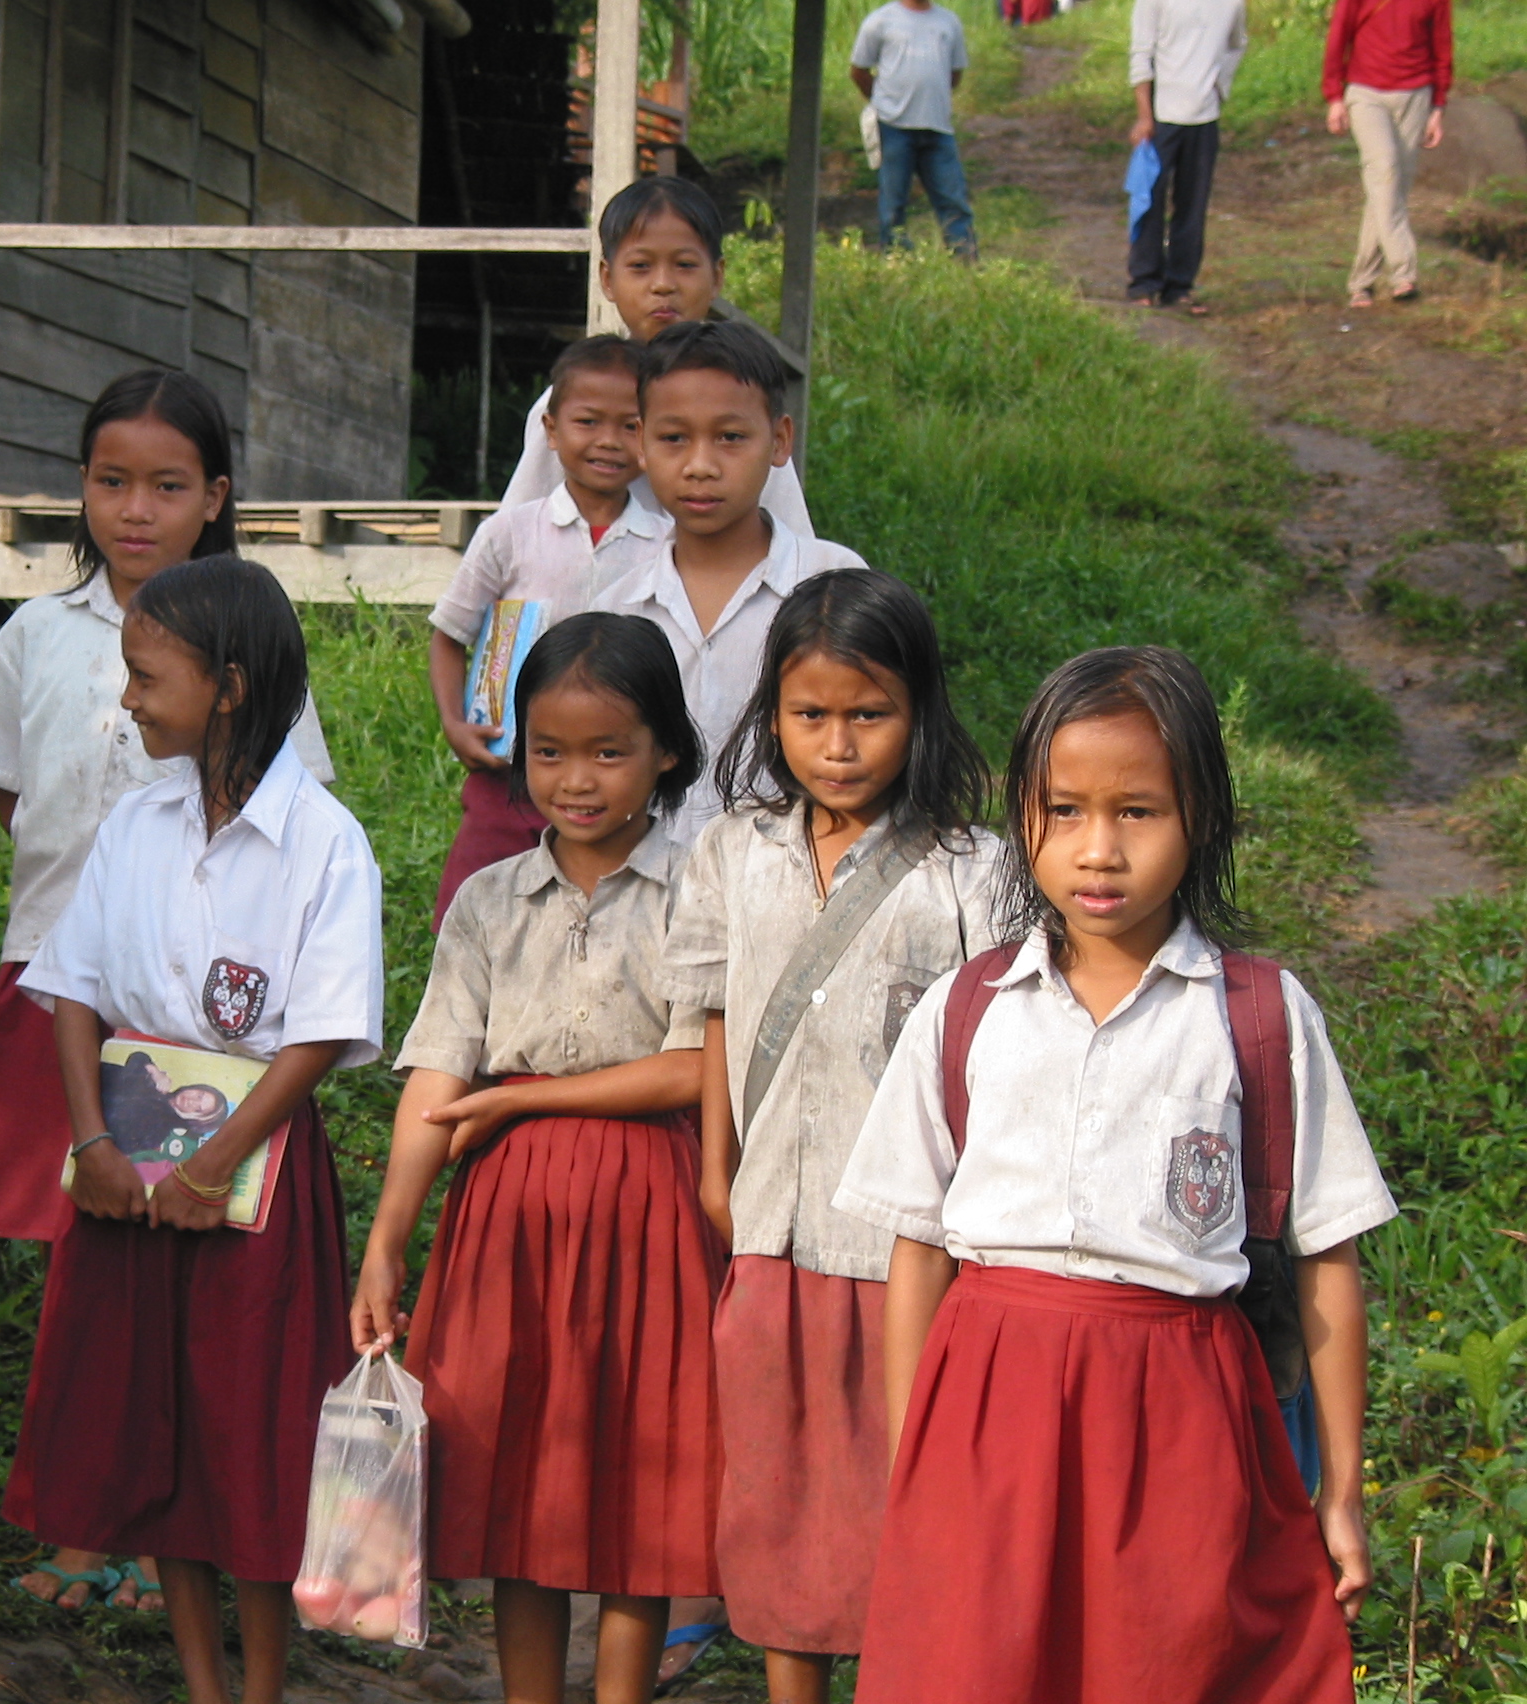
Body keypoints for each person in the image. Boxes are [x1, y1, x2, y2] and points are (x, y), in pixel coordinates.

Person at [834, 646, 1393, 1703]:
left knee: (1168, 1664)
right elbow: (917, 1251)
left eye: (1138, 811)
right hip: (989, 1411)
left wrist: (1343, 1493)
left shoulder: (1255, 1017)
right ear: (1023, 816)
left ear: (1201, 820)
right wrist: (917, 1462)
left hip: (1182, 1418)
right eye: (1064, 810)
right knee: (981, 1670)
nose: (1098, 849)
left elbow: (1328, 1259)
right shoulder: (970, 1010)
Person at [0, 369, 333, 1614]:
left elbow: (290, 811)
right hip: (63, 982)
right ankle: (83, 1520)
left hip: (200, 1026)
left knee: (181, 1277)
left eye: (167, 485)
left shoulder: (249, 642)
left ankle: (171, 1527)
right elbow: (15, 803)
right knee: (83, 1257)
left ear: (216, 497)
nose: (136, 509)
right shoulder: (36, 636)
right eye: (112, 482)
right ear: (81, 488)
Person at [2, 556, 383, 1704]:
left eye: (144, 676)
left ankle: (260, 1687)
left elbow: (318, 1034)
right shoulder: (137, 823)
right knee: (156, 1433)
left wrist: (213, 1163)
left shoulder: (322, 841)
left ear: (228, 685)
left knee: (247, 1438)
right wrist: (91, 1146)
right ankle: (204, 1687)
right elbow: (75, 990)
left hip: (253, 1180)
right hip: (126, 1173)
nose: (127, 700)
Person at [354, 611, 719, 1704]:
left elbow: (694, 1068)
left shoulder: (699, 893)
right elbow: (437, 1077)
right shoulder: (489, 901)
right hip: (507, 1218)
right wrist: (387, 1242)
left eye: (609, 751)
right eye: (550, 751)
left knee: (637, 1482)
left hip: (648, 1210)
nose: (576, 780)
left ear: (666, 752)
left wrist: (526, 1102)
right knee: (521, 1481)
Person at [655, 570, 999, 1704]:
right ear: (773, 714)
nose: (838, 745)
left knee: (906, 1505)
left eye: (869, 714)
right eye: (811, 715)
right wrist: (717, 1175)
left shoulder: (972, 872)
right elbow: (714, 1015)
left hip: (912, 1252)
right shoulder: (734, 851)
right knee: (775, 1505)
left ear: (919, 712)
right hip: (768, 1233)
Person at [427, 335, 670, 924]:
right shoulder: (510, 533)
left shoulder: (667, 544)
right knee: (481, 908)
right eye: (588, 422)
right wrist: (455, 724)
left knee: (606, 912)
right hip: (509, 767)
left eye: (631, 426)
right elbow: (449, 634)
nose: (608, 441)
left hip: (617, 777)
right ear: (551, 430)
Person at [594, 319, 864, 842]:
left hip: (796, 874)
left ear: (779, 440)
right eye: (674, 438)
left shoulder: (833, 584)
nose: (700, 466)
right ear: (641, 443)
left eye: (730, 437)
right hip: (648, 882)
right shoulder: (615, 610)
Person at [500, 178, 814, 546]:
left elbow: (792, 542)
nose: (663, 284)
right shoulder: (574, 400)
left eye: (684, 265)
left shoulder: (744, 396)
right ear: (607, 279)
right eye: (640, 266)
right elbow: (515, 535)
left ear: (716, 277)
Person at [1323, 0, 1450, 307]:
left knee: (1389, 190)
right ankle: (1403, 270)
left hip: (1416, 95)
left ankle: (1361, 284)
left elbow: (1442, 48)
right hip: (1366, 92)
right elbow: (1339, 37)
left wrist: (1438, 107)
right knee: (1385, 170)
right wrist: (1334, 96)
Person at [1126, 0, 1247, 313]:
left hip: (1204, 116)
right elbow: (1142, 54)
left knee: (1193, 202)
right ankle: (1144, 281)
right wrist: (1144, 115)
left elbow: (1237, 44)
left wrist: (1219, 86)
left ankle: (1180, 284)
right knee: (1149, 198)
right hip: (1162, 114)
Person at [850, 0, 978, 257]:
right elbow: (859, 71)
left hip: (938, 127)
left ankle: (964, 257)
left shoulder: (948, 22)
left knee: (953, 200)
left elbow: (954, 75)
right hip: (894, 126)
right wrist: (884, 102)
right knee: (893, 202)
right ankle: (896, 258)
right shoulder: (880, 22)